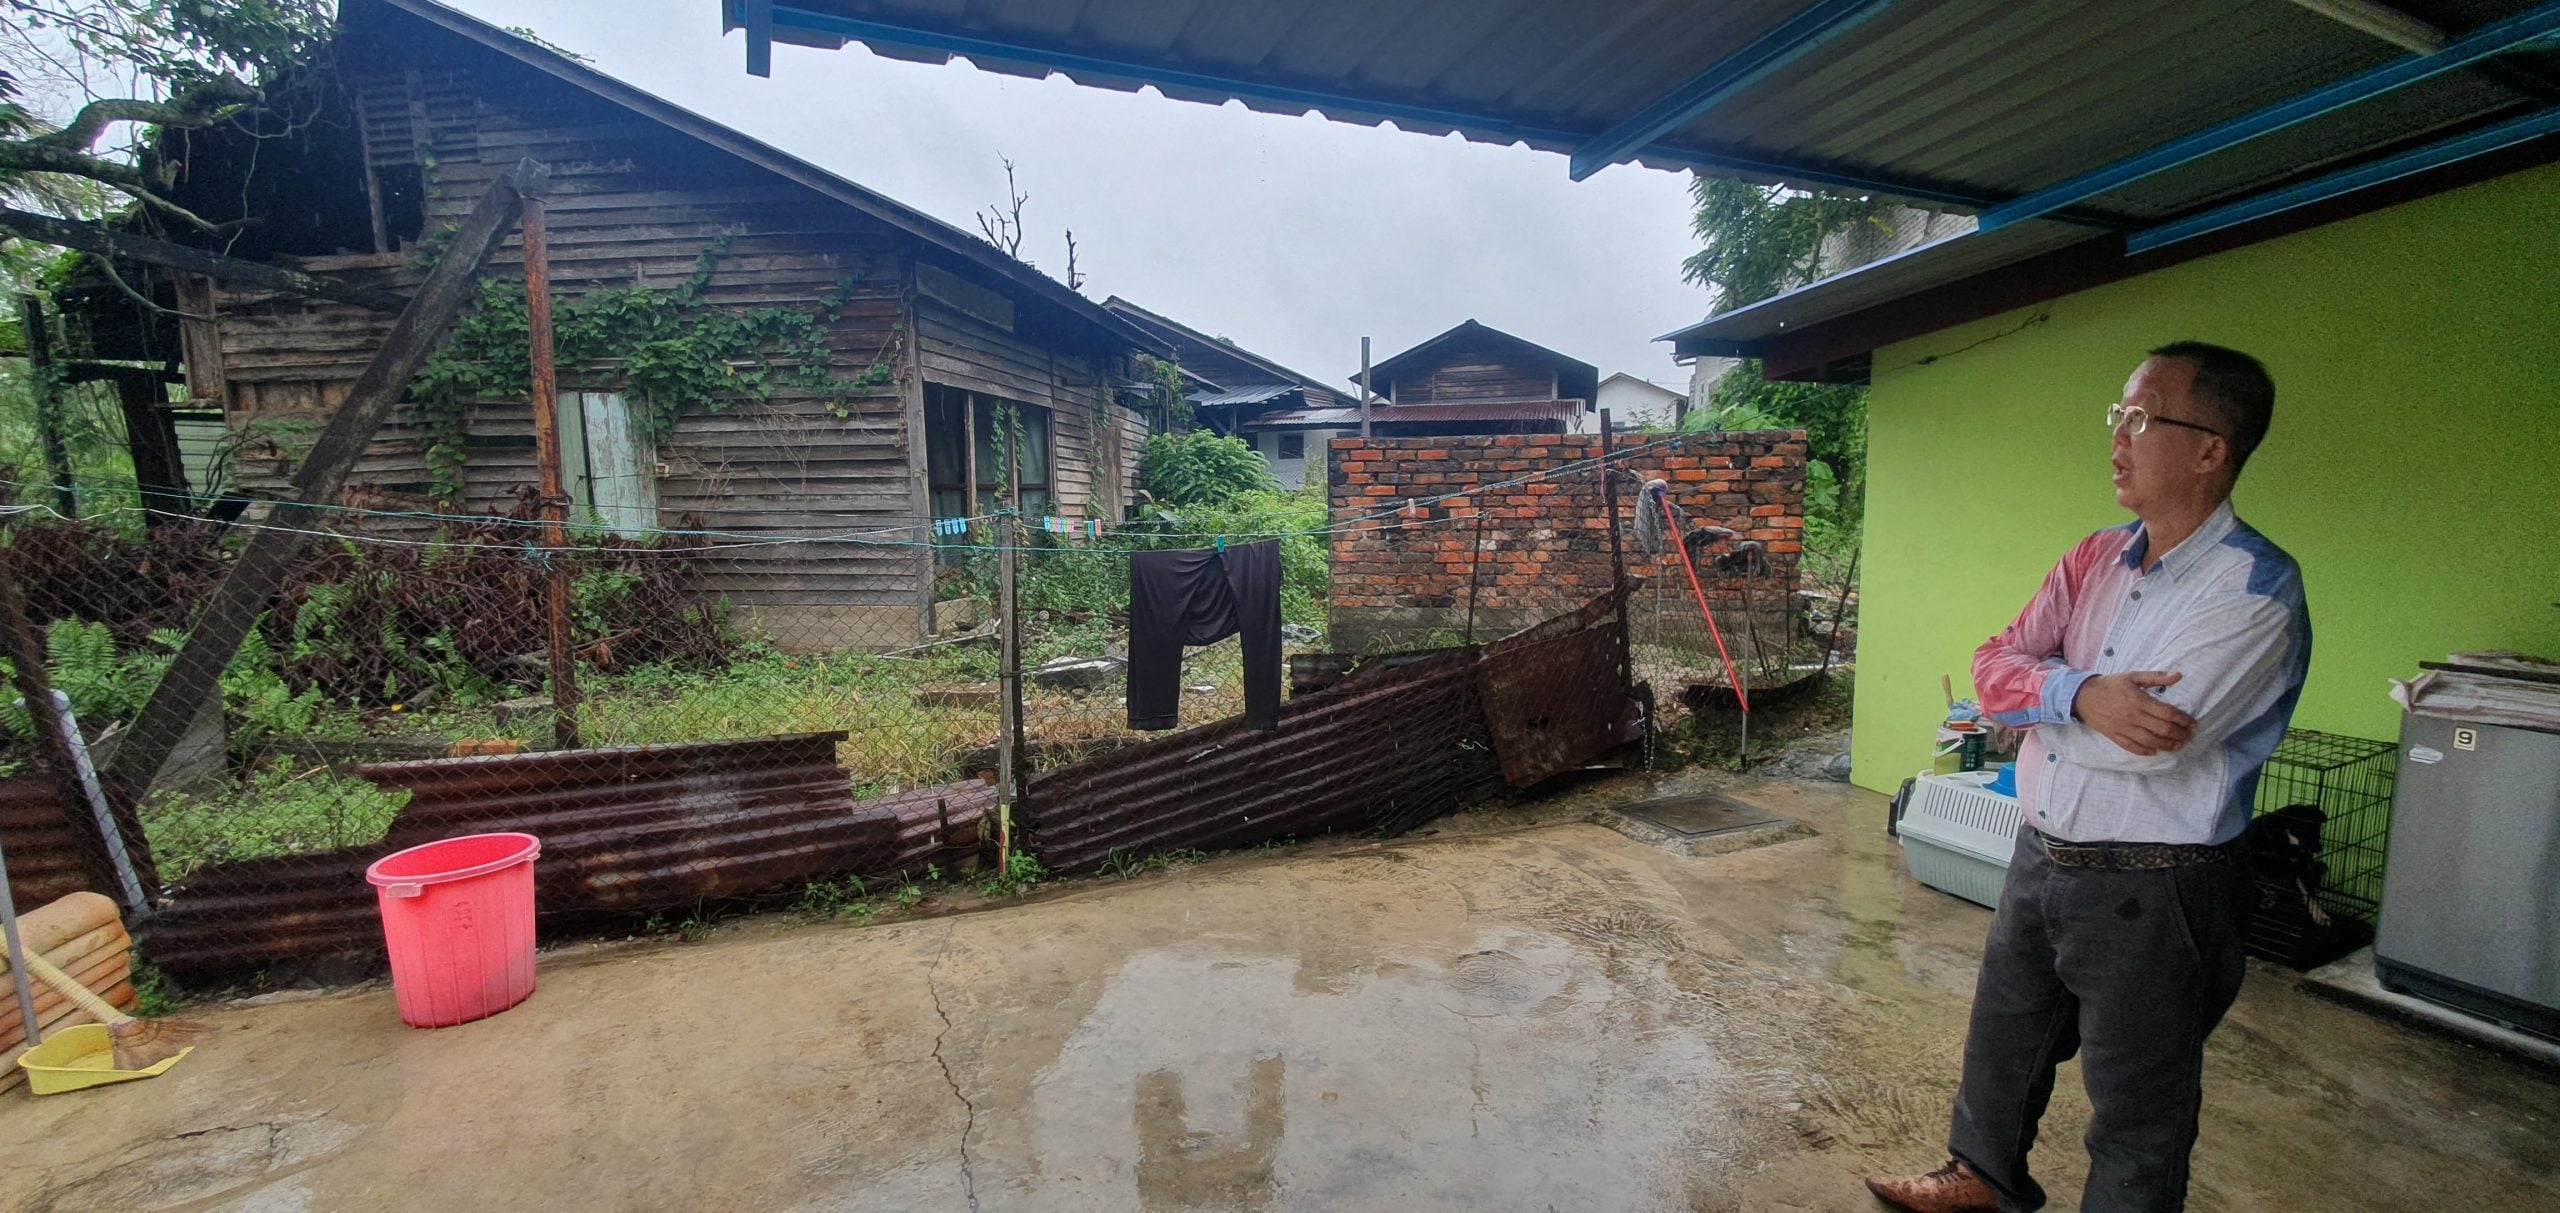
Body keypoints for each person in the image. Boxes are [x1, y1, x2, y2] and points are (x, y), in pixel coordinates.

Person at [1866, 343, 2311, 1213]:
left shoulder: (2257, 591)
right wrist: (2079, 692)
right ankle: (1980, 1177)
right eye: (2119, 414)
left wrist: (2041, 700)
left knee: (2138, 1103)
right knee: (2004, 1040)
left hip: (2161, 885)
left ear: (2211, 449)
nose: (2117, 437)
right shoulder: (2093, 558)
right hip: (2043, 852)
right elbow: (1992, 664)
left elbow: (2152, 745)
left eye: (2140, 418)